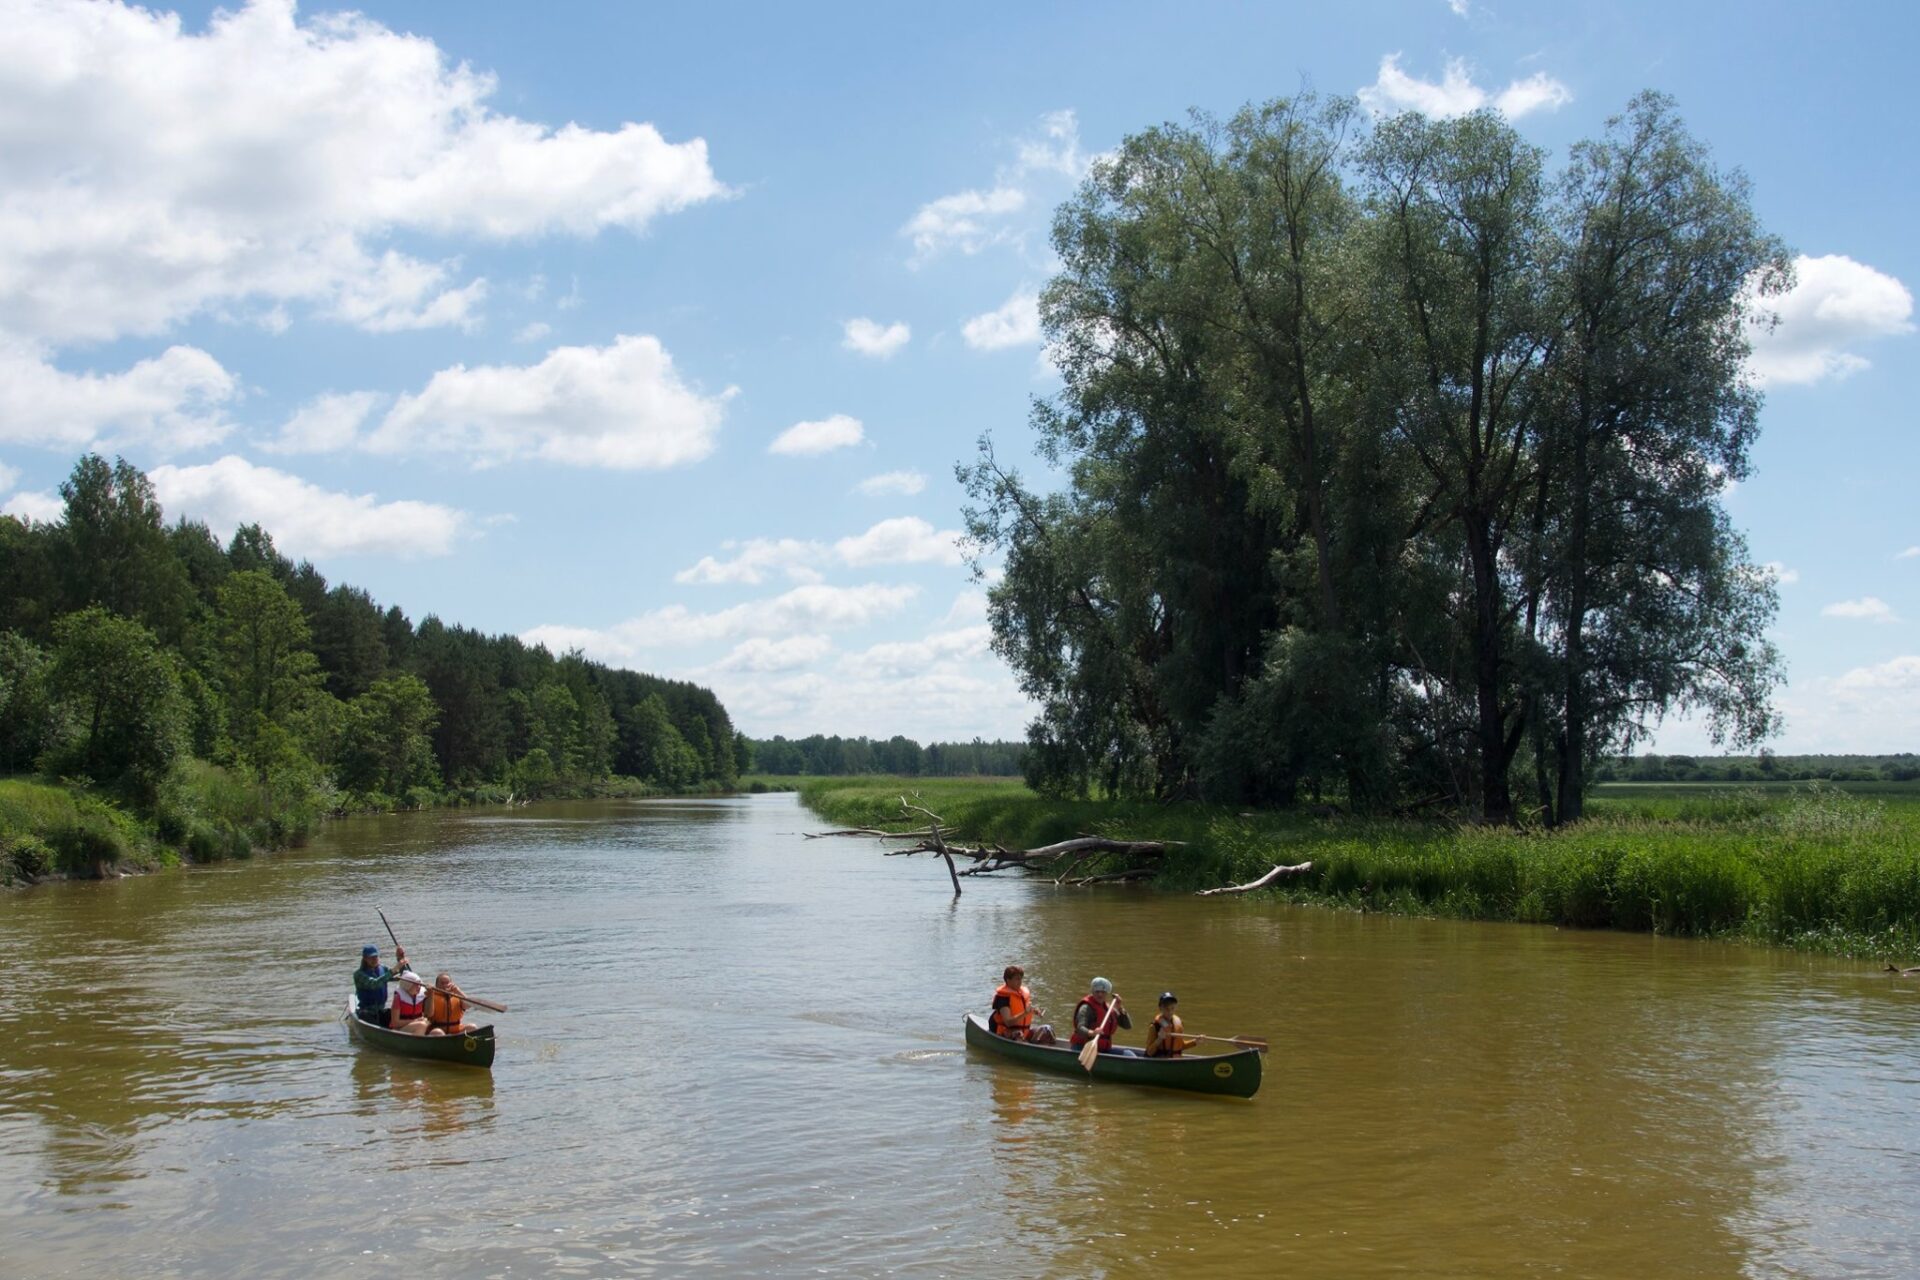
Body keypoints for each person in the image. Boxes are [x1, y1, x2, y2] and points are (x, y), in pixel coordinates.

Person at [1069, 977, 1138, 1058]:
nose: (1100, 994)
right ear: (1093, 991)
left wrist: (1120, 1007)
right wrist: (1092, 1032)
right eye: (1097, 991)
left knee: (1128, 1054)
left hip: (1102, 1049)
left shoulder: (1109, 1009)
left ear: (1107, 993)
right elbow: (1080, 1028)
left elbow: (1127, 1026)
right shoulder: (1086, 1008)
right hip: (1082, 1047)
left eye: (1103, 992)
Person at [988, 964, 1056, 1045]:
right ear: (1008, 980)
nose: (1020, 982)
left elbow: (1023, 1009)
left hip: (1024, 1033)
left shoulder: (1021, 993)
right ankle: (1028, 1048)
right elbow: (1008, 1022)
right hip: (1005, 1032)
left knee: (1047, 1029)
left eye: (1021, 979)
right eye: (1017, 979)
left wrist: (1034, 1011)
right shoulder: (1003, 998)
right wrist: (1025, 1013)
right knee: (1018, 1034)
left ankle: (1041, 1049)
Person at [353, 944, 406, 1024]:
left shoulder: (383, 968)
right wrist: (393, 970)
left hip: (381, 1011)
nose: (374, 960)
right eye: (371, 958)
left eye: (376, 957)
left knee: (401, 1015)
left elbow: (404, 975)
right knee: (371, 1020)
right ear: (365, 958)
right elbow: (374, 984)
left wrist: (400, 958)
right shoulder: (358, 975)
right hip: (366, 1012)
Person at [425, 972, 477, 1037]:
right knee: (437, 1032)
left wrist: (458, 991)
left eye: (447, 983)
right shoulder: (431, 996)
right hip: (438, 1031)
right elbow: (429, 1014)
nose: (445, 985)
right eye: (442, 983)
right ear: (436, 985)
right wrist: (430, 994)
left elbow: (469, 1005)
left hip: (456, 1031)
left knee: (472, 1027)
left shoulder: (457, 996)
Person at [1145, 992, 1194, 1058]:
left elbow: (1181, 1046)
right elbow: (1149, 1053)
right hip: (1160, 1060)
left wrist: (1195, 1042)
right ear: (1160, 1008)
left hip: (1175, 1060)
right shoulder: (1154, 1026)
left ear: (1175, 1007)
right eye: (1166, 1008)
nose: (1170, 1012)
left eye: (1172, 1008)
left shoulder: (1179, 1023)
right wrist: (1159, 1039)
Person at [389, 970, 430, 1035]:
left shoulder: (422, 995)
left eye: (420, 984)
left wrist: (431, 995)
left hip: (415, 1026)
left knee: (428, 1023)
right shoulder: (398, 997)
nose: (419, 987)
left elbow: (429, 1014)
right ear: (408, 985)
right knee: (421, 1025)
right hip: (399, 1029)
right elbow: (395, 1023)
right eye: (416, 985)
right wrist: (414, 1021)